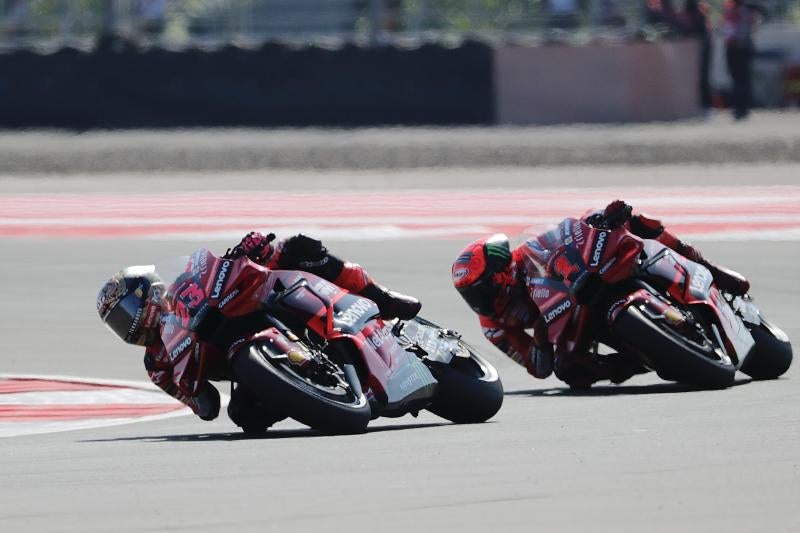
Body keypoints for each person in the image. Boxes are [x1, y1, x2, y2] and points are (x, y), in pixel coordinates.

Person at [96, 232, 421, 427]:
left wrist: (246, 250)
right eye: (118, 323)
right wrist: (194, 394)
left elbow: (218, 269)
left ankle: (382, 297)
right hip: (245, 362)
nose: (128, 326)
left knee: (295, 247)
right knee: (244, 416)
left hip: (248, 308)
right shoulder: (156, 366)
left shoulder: (183, 284)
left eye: (126, 313)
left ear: (149, 293)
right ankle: (318, 395)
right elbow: (206, 407)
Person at [451, 200, 750, 388]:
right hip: (573, 321)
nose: (479, 302)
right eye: (470, 296)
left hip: (586, 280)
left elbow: (565, 235)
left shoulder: (526, 253)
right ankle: (637, 361)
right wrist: (541, 336)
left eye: (481, 290)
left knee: (631, 220)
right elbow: (538, 368)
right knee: (569, 370)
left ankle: (709, 268)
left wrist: (599, 222)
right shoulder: (493, 327)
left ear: (500, 273)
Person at [723, 0, 767, 119]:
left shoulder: (742, 11)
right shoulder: (739, 10)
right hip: (738, 47)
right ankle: (741, 108)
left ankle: (741, 108)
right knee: (740, 79)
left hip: (739, 48)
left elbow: (750, 26)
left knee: (741, 79)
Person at [679, 0, 712, 113]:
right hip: (697, 51)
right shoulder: (695, 15)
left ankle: (704, 104)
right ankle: (702, 104)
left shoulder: (697, 16)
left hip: (700, 51)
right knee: (701, 78)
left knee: (702, 78)